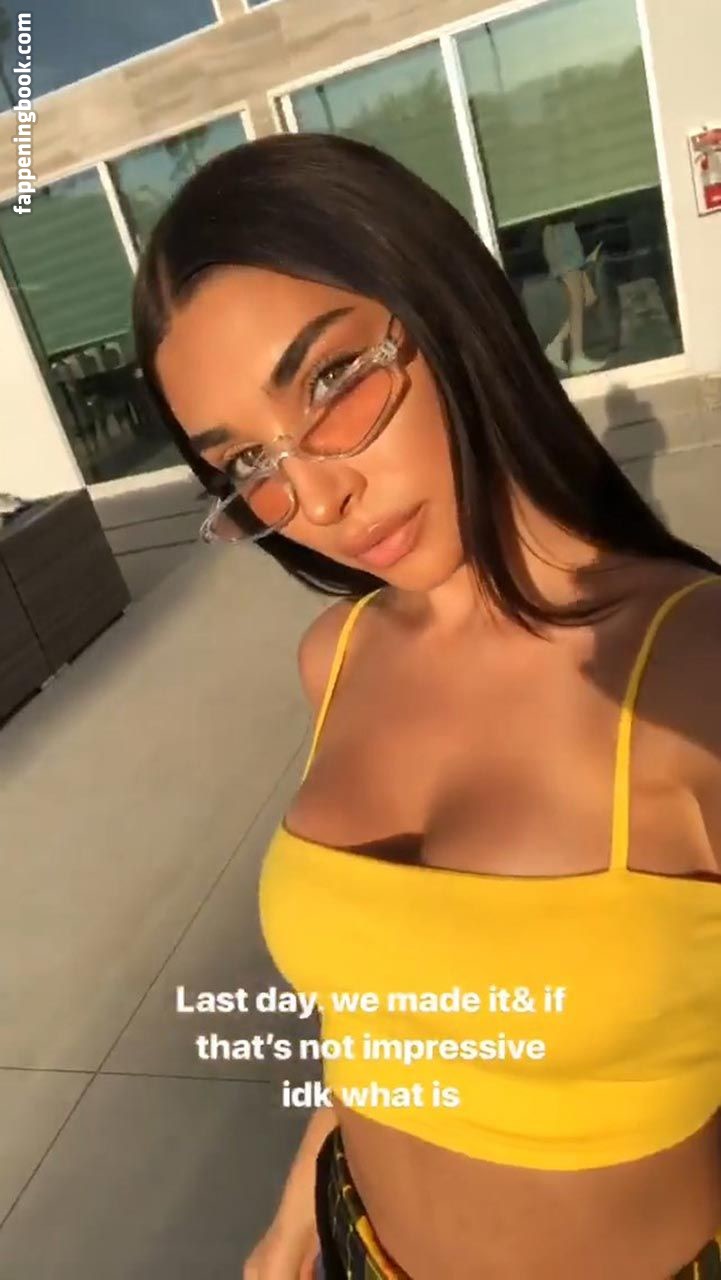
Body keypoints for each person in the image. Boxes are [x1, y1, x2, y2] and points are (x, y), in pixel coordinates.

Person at [131, 133, 721, 1280]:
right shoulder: (337, 657)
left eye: (331, 383)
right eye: (245, 463)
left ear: (445, 309)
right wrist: (294, 1215)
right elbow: (378, 1017)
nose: (315, 497)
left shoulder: (692, 673)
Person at [542, 219, 606, 376]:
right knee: (577, 297)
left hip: (567, 233)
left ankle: (556, 345)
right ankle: (577, 357)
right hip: (561, 234)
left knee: (588, 297)